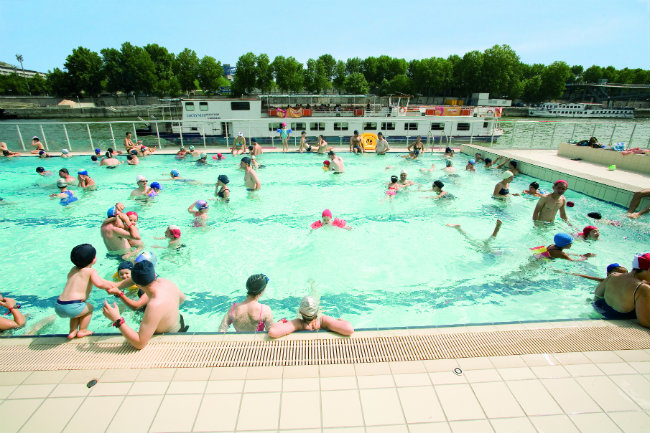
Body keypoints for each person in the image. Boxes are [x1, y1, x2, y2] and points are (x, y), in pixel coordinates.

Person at [104, 260, 188, 349]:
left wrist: (117, 319)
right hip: (180, 326)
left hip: (169, 340)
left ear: (137, 285)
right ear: (154, 275)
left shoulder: (154, 305)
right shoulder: (166, 282)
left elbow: (140, 344)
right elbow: (182, 299)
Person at [56, 244, 116, 339]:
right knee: (89, 308)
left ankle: (72, 331)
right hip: (73, 306)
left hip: (59, 305)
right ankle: (82, 330)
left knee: (77, 312)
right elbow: (99, 284)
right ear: (93, 259)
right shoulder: (90, 271)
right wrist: (109, 286)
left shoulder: (73, 269)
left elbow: (70, 278)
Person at [593, 253, 649, 327]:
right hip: (619, 318)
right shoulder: (642, 288)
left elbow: (597, 294)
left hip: (600, 308)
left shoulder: (613, 275)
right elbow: (644, 321)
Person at [268, 295, 354, 338]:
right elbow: (349, 329)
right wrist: (341, 320)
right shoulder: (324, 321)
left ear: (300, 312)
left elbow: (272, 332)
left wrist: (280, 322)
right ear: (318, 311)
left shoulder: (298, 323)